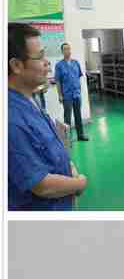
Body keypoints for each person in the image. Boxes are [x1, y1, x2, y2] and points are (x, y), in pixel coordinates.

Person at [8, 23, 87, 210]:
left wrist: (69, 166)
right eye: (41, 56)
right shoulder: (11, 120)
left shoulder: (30, 98)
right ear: (16, 65)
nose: (47, 62)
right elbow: (41, 185)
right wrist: (79, 183)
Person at [54, 43, 89, 141]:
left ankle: (80, 135)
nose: (67, 51)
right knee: (67, 118)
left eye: (68, 49)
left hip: (77, 94)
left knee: (78, 116)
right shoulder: (59, 65)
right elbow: (58, 81)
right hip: (67, 95)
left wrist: (80, 90)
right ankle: (67, 139)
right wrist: (60, 95)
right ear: (62, 51)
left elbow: (78, 77)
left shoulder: (76, 63)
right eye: (65, 49)